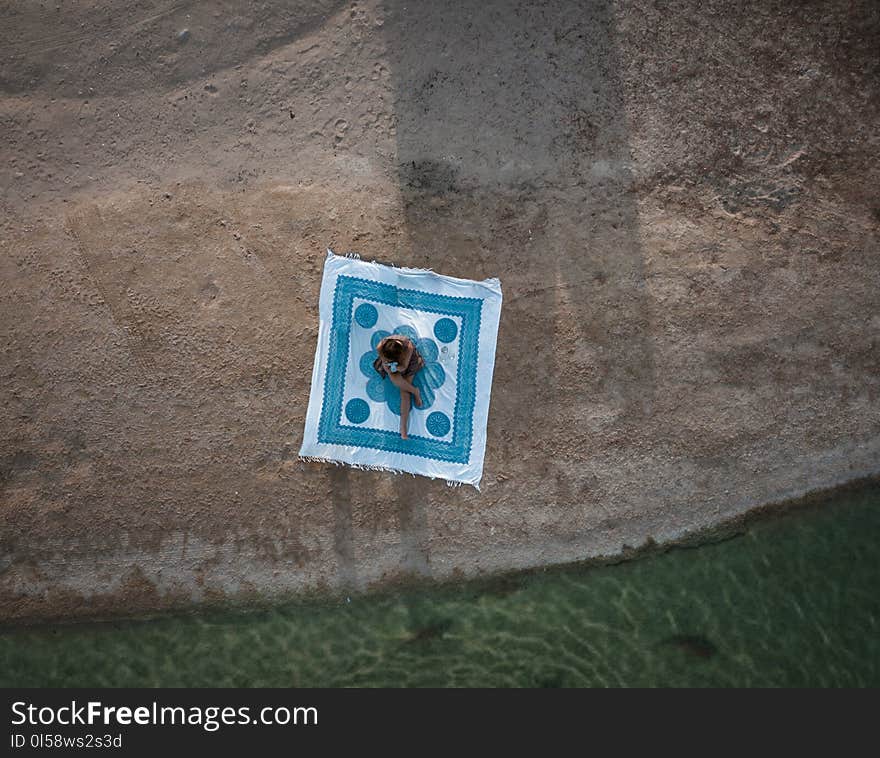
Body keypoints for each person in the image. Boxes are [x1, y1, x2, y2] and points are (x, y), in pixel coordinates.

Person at [373, 334, 424, 439]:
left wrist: (396, 368)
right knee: (401, 387)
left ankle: (403, 427)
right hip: (391, 366)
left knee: (404, 393)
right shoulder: (380, 347)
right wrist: (389, 368)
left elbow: (404, 366)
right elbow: (384, 362)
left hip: (408, 363)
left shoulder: (408, 347)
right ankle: (415, 391)